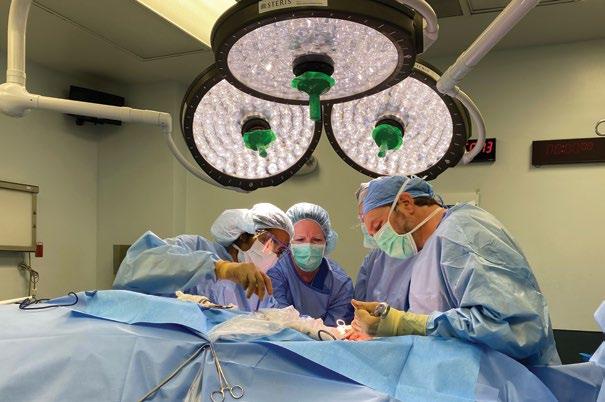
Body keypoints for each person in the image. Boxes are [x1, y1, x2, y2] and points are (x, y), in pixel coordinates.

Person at [348, 176, 560, 366]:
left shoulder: (462, 230)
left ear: (406, 203)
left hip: (507, 383)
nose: (379, 240)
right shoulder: (427, 251)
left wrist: (404, 324)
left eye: (378, 226)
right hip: (461, 381)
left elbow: (516, 328)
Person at [113, 203, 293, 311]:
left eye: (280, 251)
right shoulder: (193, 247)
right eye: (271, 242)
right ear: (245, 234)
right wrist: (220, 268)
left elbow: (279, 319)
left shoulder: (258, 289)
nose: (273, 254)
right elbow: (136, 267)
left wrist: (304, 325)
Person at [268, 202, 354, 325]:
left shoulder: (340, 285)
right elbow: (278, 319)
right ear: (288, 243)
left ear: (327, 243)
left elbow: (336, 331)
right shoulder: (275, 272)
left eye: (316, 240)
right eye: (300, 240)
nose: (308, 246)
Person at [354, 183, 414, 311]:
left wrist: (395, 321)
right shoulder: (373, 259)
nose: (367, 226)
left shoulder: (419, 250)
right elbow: (360, 306)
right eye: (362, 218)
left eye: (376, 224)